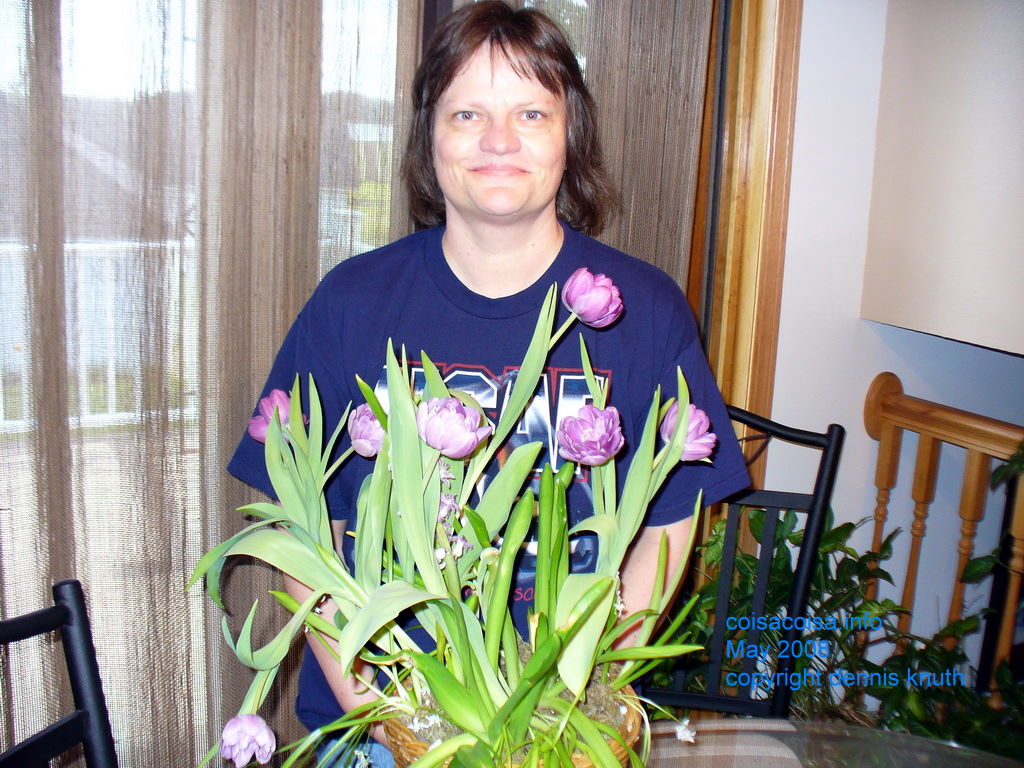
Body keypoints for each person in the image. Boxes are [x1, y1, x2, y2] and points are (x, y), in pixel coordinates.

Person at [227, 2, 751, 765]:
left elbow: (671, 523)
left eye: (531, 112)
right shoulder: (353, 303)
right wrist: (380, 713)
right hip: (380, 723)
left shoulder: (645, 309)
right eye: (467, 112)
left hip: (568, 725)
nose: (499, 141)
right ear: (429, 137)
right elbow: (303, 532)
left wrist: (586, 688)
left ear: (570, 136)